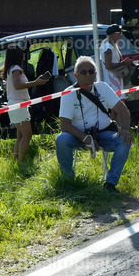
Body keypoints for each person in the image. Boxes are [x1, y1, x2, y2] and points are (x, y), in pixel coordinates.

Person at [56, 55, 133, 190]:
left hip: (104, 133)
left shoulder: (102, 88)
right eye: (83, 72)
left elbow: (123, 111)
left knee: (124, 140)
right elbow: (65, 125)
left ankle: (110, 184)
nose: (88, 75)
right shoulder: (68, 93)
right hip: (78, 136)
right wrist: (85, 138)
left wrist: (125, 129)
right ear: (75, 75)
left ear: (96, 74)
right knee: (61, 139)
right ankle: (68, 182)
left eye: (91, 72)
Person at [4, 45, 52, 163]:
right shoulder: (16, 68)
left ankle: (16, 160)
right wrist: (36, 83)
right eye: (23, 53)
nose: (25, 55)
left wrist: (35, 82)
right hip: (18, 104)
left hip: (14, 104)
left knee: (20, 135)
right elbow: (18, 85)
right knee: (27, 135)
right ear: (18, 55)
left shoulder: (10, 68)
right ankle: (21, 162)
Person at [100, 24, 133, 96]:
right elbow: (108, 66)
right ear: (113, 35)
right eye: (119, 33)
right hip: (112, 81)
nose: (121, 35)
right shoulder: (108, 47)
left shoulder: (112, 46)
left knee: (120, 102)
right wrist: (123, 63)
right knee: (118, 103)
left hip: (117, 79)